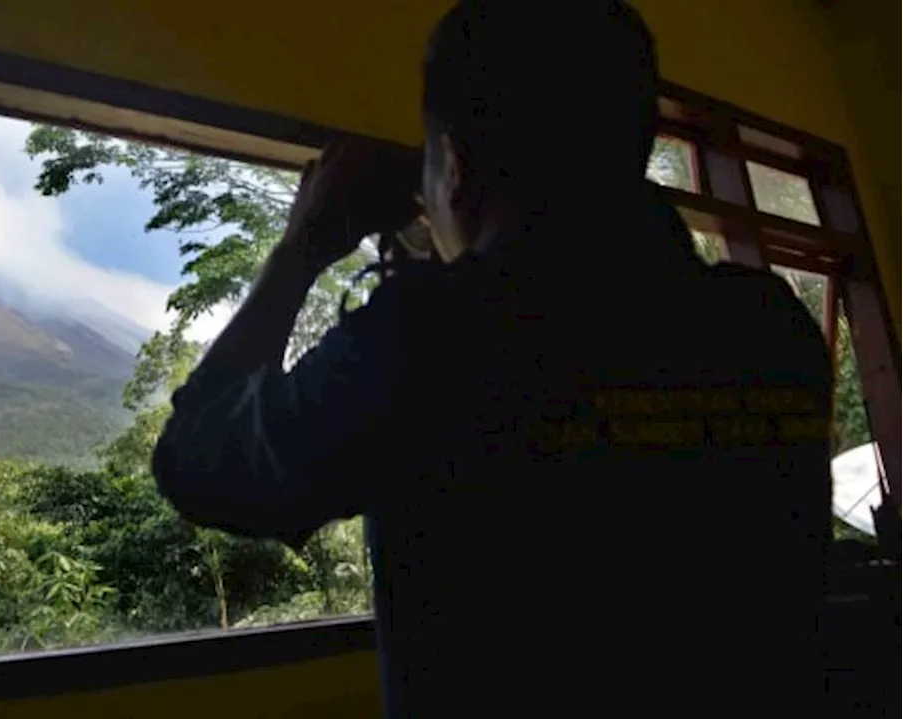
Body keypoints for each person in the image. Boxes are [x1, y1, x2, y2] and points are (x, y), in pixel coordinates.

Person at [151, 1, 832, 716]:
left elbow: (194, 460)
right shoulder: (769, 328)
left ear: (456, 168)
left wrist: (302, 250)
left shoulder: (429, 339)